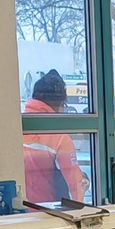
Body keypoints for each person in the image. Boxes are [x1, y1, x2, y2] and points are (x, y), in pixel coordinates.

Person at [21, 71, 89, 207]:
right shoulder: (59, 138)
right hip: (50, 216)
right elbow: (74, 186)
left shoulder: (17, 129)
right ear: (60, 104)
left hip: (23, 216)